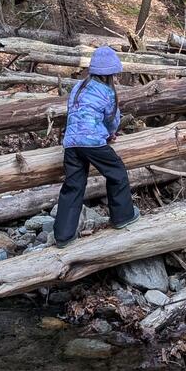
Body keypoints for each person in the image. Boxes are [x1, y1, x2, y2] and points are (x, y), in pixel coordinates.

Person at [52, 46, 139, 245]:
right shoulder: (107, 92)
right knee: (116, 172)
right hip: (92, 143)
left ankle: (63, 235)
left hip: (72, 144)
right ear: (110, 74)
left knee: (73, 185)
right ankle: (122, 216)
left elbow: (73, 113)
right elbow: (112, 119)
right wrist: (110, 135)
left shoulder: (78, 87)